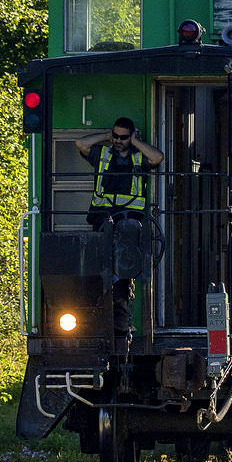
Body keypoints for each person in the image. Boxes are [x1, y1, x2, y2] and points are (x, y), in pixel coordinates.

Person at [76, 117, 164, 336]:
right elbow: (81, 144)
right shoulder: (102, 155)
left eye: (123, 137)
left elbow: (158, 157)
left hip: (129, 224)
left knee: (122, 274)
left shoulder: (139, 158)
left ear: (131, 136)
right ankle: (95, 323)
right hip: (102, 221)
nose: (117, 140)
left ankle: (121, 326)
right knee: (97, 272)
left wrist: (135, 142)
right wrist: (106, 136)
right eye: (115, 135)